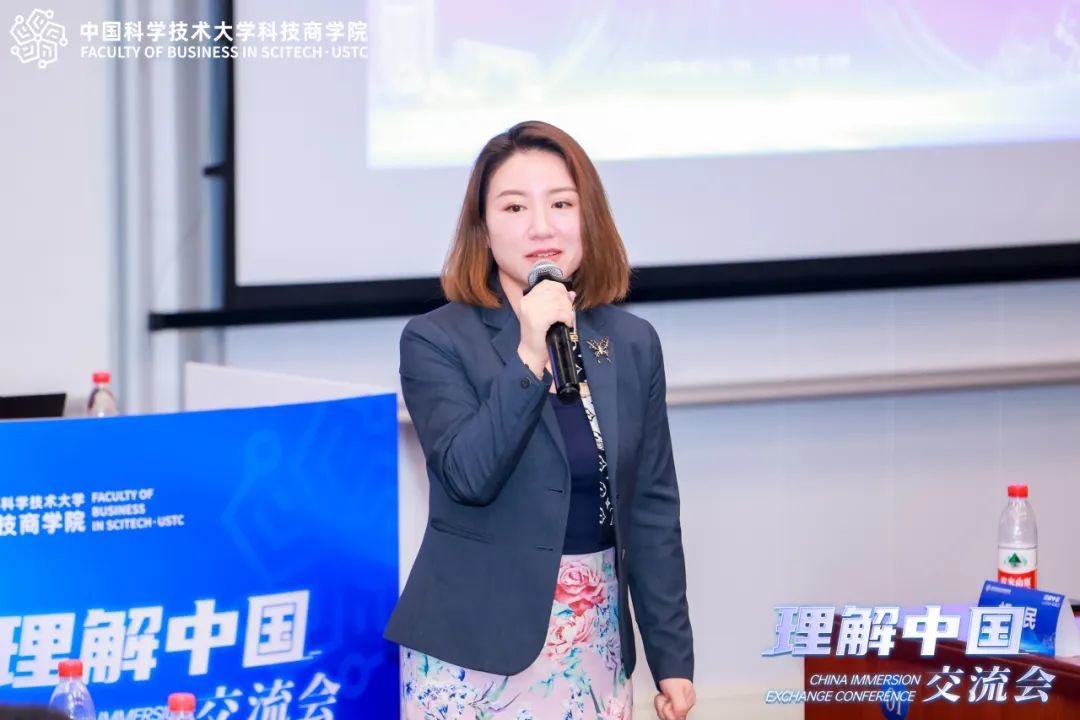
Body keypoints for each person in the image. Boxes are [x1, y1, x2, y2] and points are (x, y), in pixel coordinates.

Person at [384, 120, 695, 720]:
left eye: (561, 204)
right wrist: (529, 354)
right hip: (472, 653)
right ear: (483, 228)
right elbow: (467, 476)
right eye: (514, 207)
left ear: (588, 218)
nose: (541, 227)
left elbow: (653, 509)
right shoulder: (434, 340)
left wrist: (672, 657)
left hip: (595, 646)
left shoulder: (631, 342)